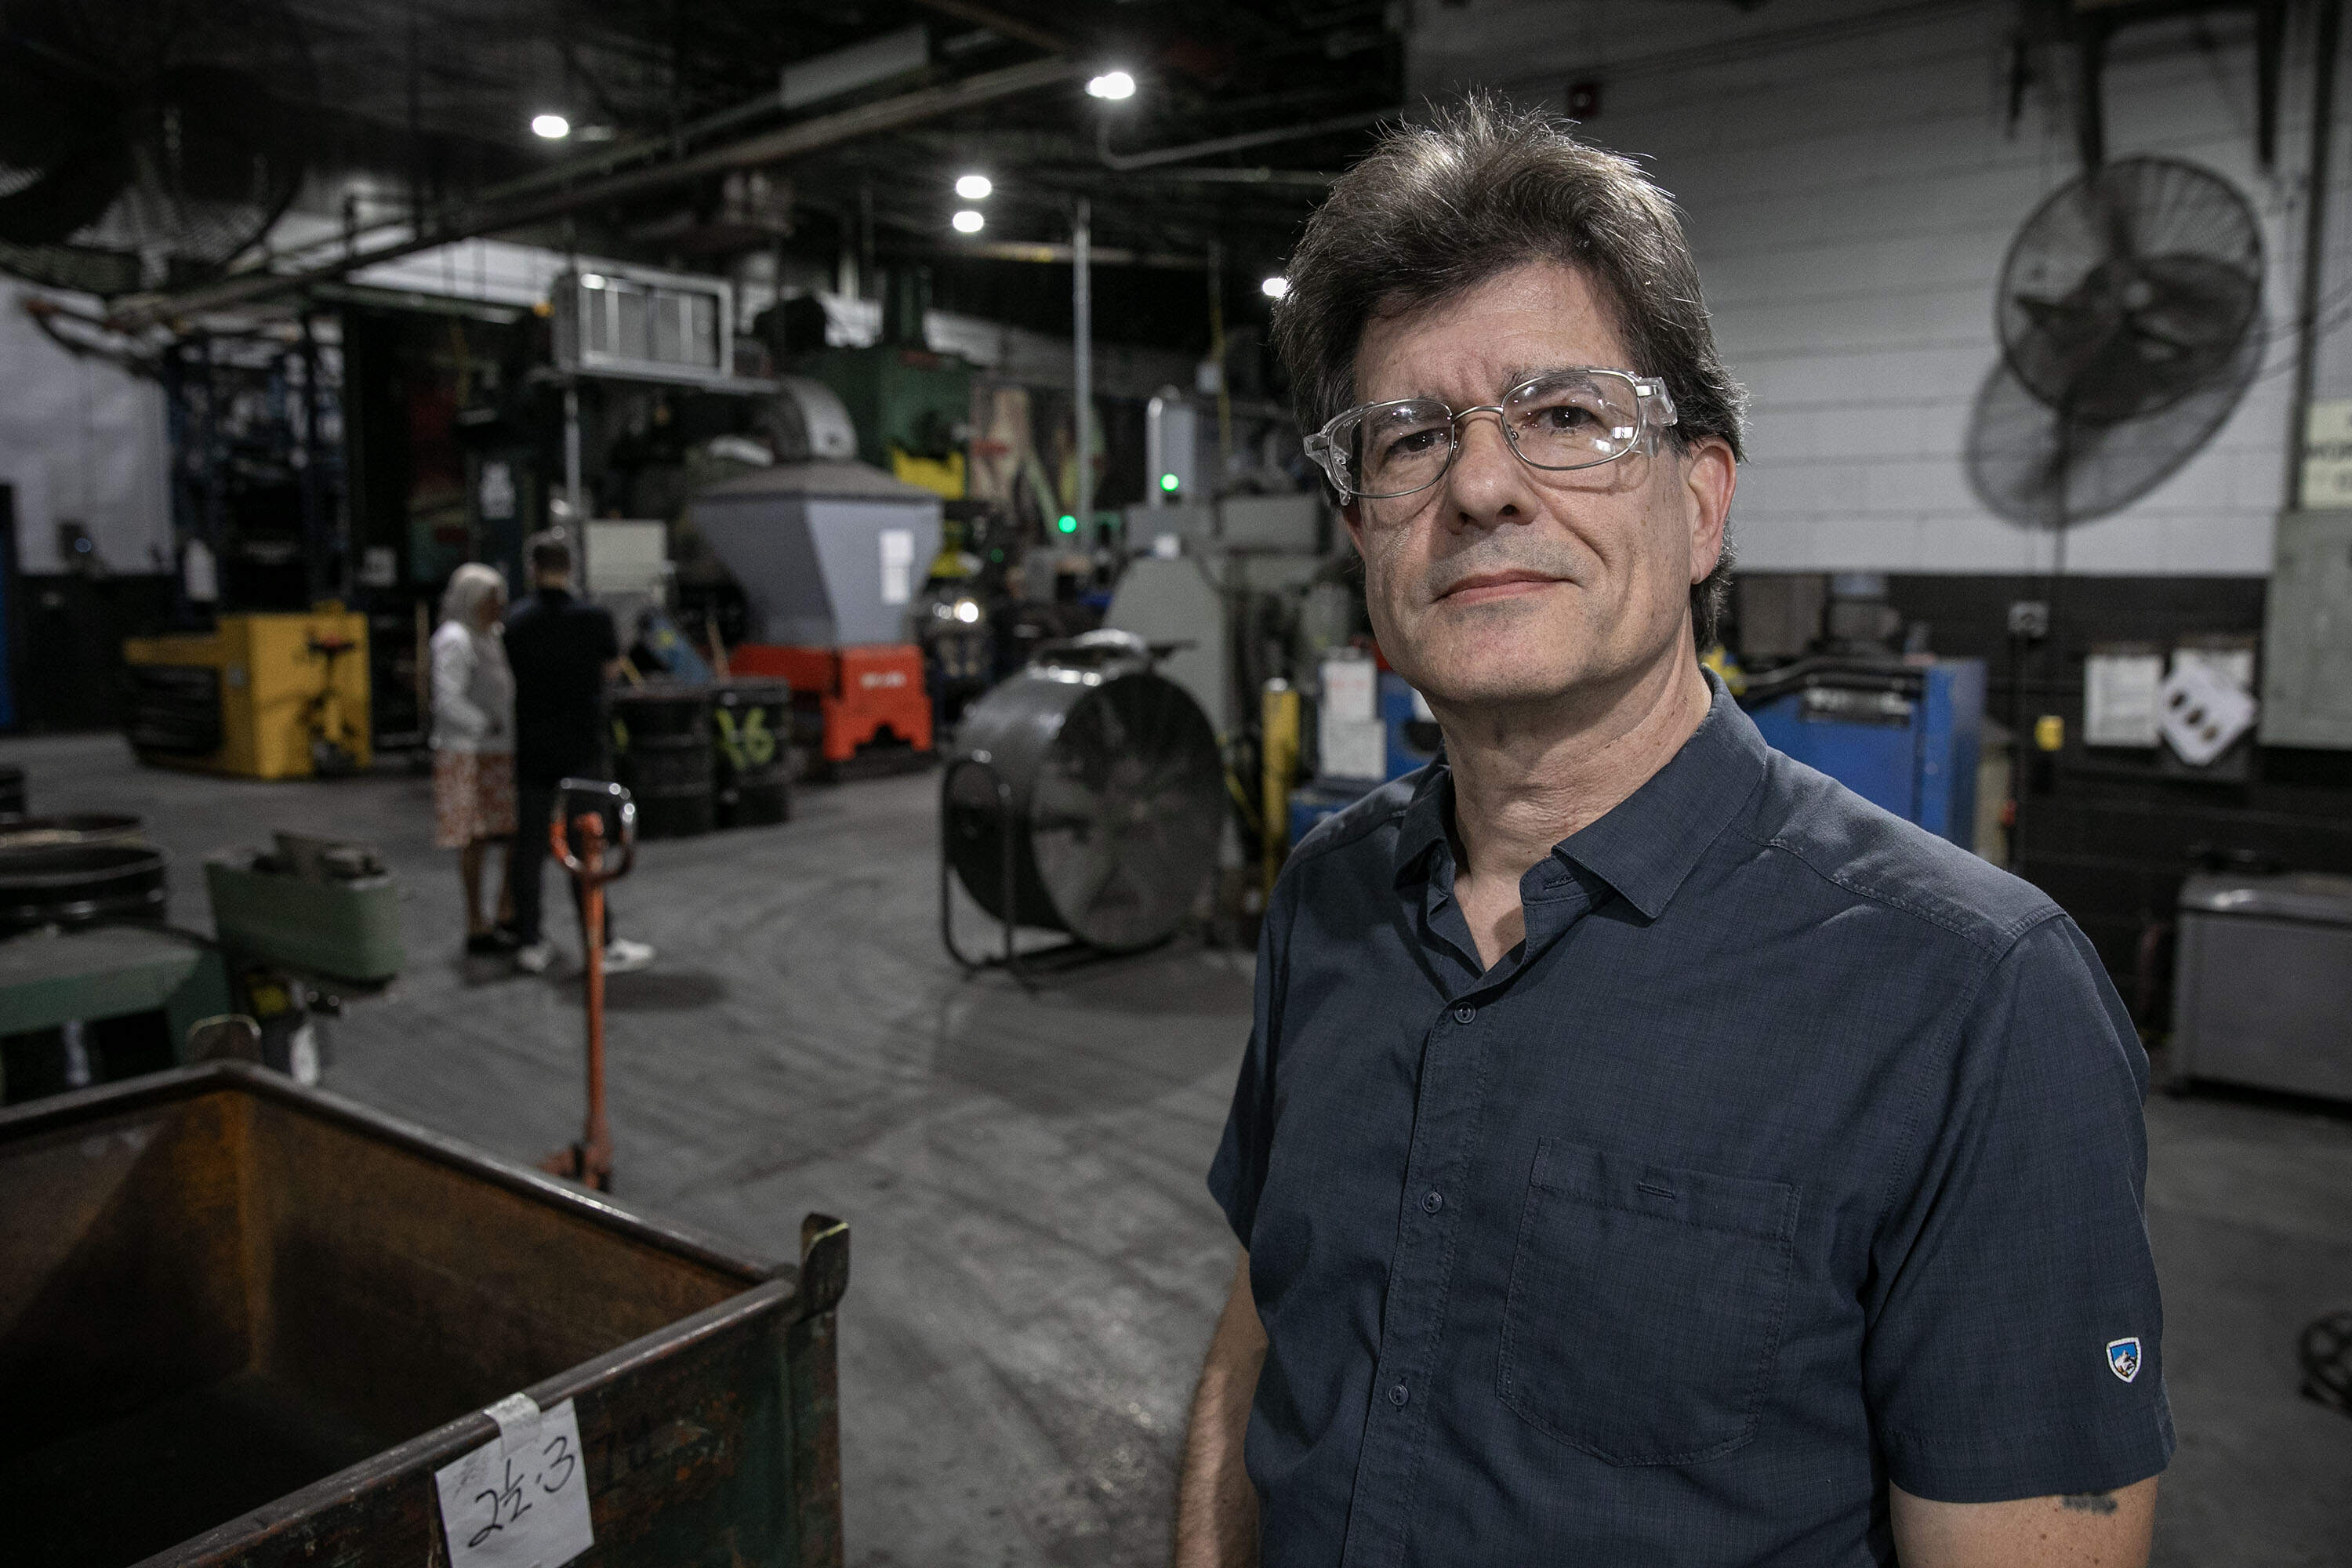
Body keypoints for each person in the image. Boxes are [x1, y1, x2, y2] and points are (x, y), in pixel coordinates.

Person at [1175, 99, 2169, 1568]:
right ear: (1361, 534)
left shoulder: (1975, 1003)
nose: (1481, 484)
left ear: (1702, 504)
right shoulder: (1329, 898)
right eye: (1409, 437)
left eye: (1565, 416)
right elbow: (1268, 1320)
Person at [504, 530, 655, 976]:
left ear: (533, 569)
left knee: (529, 850)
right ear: (570, 568)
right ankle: (600, 942)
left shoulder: (517, 620)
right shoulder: (594, 618)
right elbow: (609, 670)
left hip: (532, 748)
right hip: (581, 747)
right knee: (586, 845)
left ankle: (529, 943)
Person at [430, 563, 518, 954]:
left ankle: (503, 909)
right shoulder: (455, 639)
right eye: (491, 599)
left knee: (509, 833)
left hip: (498, 753)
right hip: (468, 753)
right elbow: (446, 698)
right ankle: (475, 920)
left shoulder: (492, 635)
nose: (498, 607)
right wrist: (485, 726)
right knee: (475, 839)